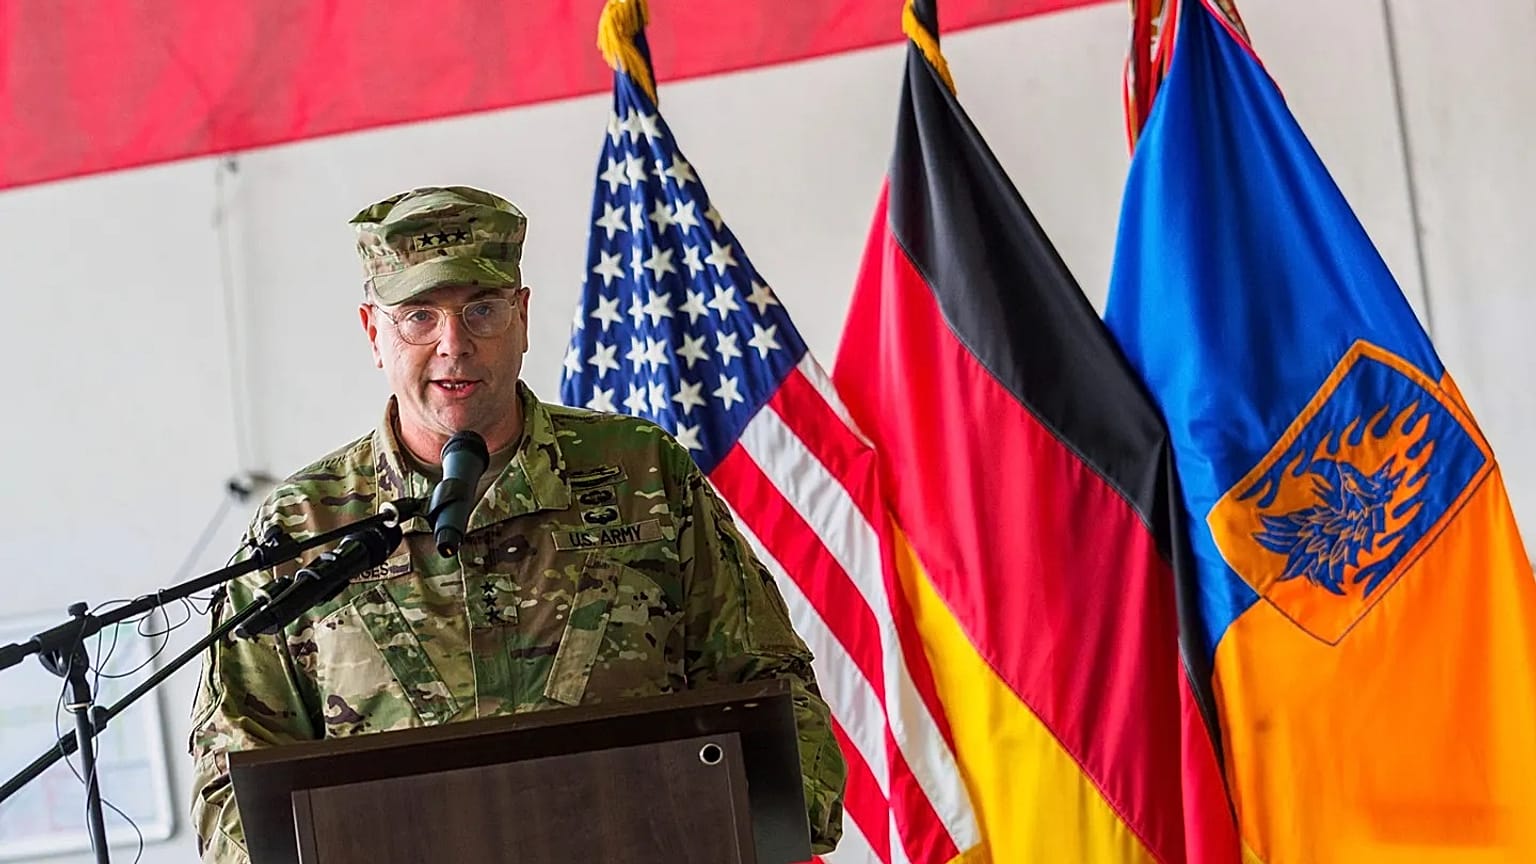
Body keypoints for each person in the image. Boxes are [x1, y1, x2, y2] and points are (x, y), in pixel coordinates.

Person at [187, 185, 846, 862]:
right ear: (373, 333)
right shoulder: (306, 524)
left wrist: (749, 819)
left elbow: (773, 694)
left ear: (522, 317)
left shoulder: (642, 474)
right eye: (418, 316)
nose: (453, 344)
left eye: (481, 310)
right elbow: (232, 780)